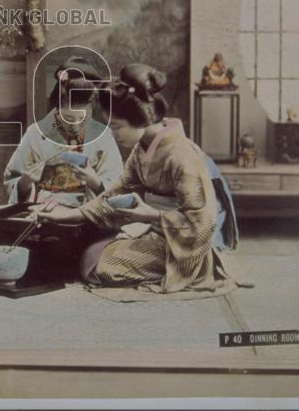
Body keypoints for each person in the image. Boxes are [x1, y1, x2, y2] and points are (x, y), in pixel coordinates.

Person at [36, 63, 232, 293]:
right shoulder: (142, 149)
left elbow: (203, 223)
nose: (113, 133)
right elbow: (116, 192)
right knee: (88, 255)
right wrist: (69, 215)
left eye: (117, 126)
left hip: (188, 246)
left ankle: (195, 271)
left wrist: (154, 214)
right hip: (158, 232)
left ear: (139, 120)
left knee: (102, 267)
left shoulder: (182, 155)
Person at [3, 55, 124, 208]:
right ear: (57, 108)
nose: (75, 125)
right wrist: (24, 183)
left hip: (88, 213)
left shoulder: (104, 135)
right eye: (67, 117)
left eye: (82, 118)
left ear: (92, 108)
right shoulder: (35, 133)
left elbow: (116, 184)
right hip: (43, 209)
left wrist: (96, 182)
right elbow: (11, 180)